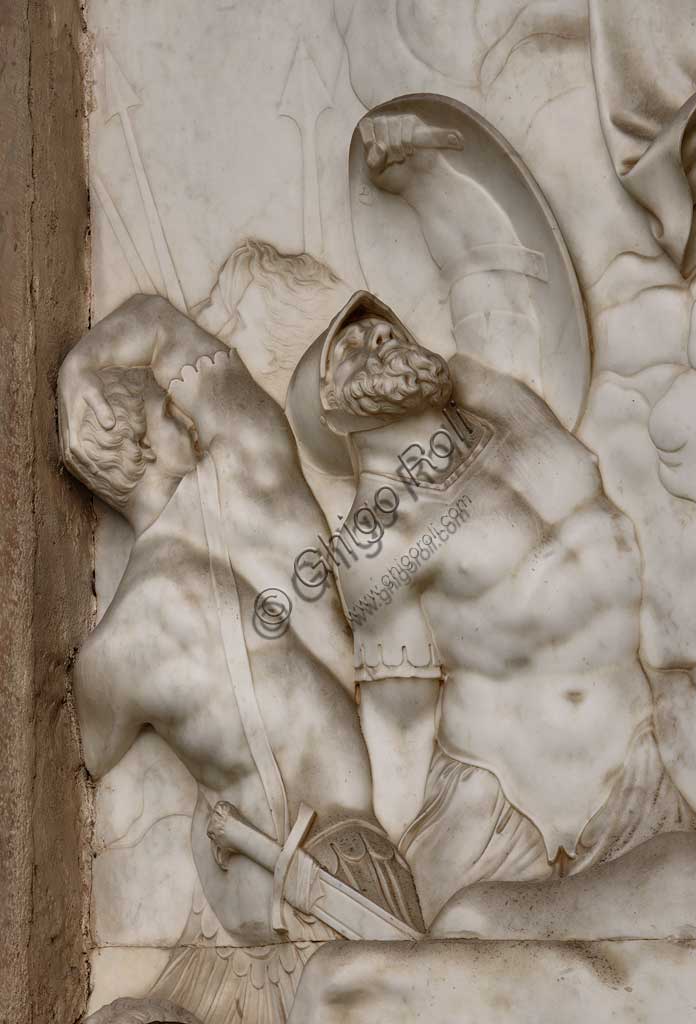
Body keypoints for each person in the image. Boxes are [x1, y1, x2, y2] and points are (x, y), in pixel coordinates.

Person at [58, 285, 423, 1014]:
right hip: (356, 868)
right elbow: (162, 323)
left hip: (293, 909)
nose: (182, 410)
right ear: (137, 442)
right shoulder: (254, 459)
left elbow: (94, 753)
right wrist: (81, 371)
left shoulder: (110, 657)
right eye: (165, 410)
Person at [286, 289, 696, 924]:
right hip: (523, 815)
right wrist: (389, 866)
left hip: (648, 750)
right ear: (331, 413)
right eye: (348, 350)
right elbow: (399, 724)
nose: (377, 340)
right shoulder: (376, 543)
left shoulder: (504, 399)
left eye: (380, 328)